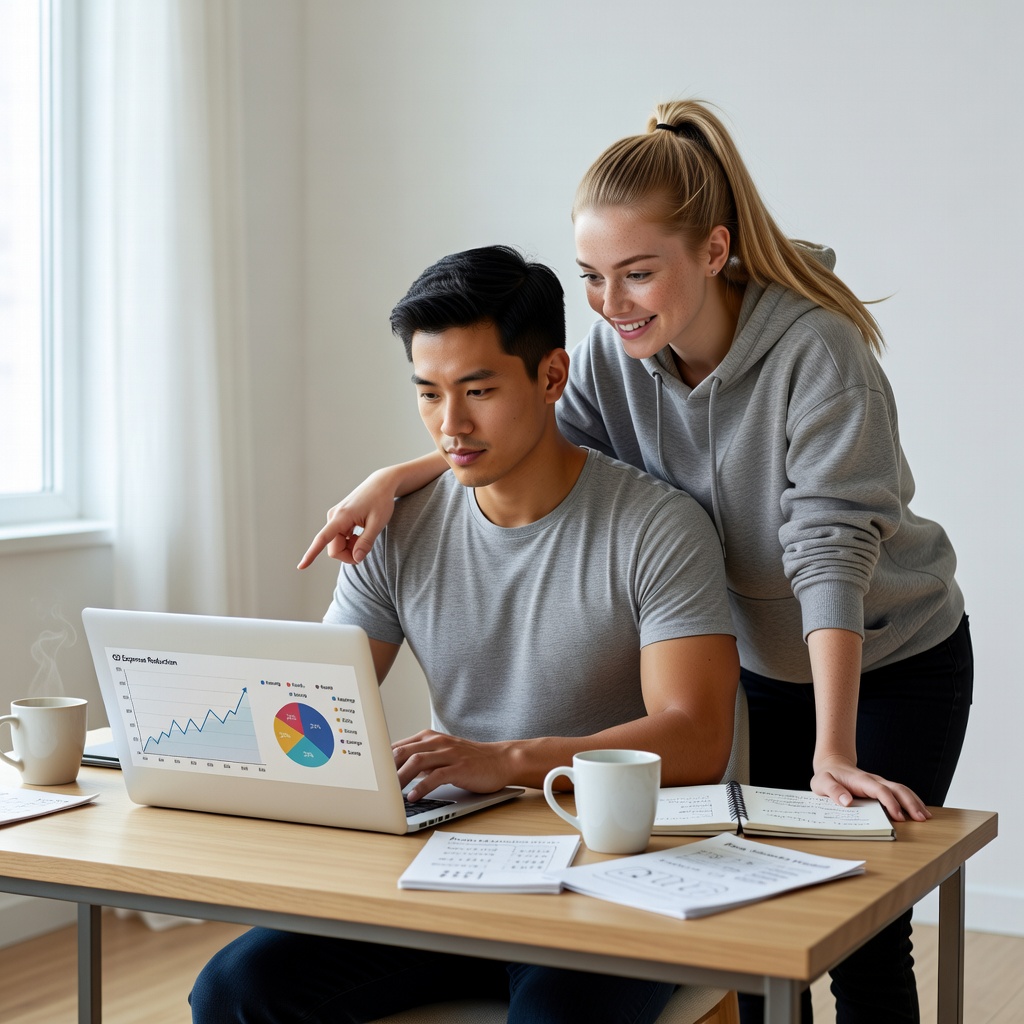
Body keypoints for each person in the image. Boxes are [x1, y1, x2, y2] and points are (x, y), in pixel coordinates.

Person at [298, 102, 974, 1024]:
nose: (613, 303)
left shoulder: (816, 351)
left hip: (884, 653)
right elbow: (527, 431)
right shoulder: (621, 355)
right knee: (768, 917)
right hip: (755, 659)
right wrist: (394, 475)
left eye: (637, 273)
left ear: (713, 250)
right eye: (593, 278)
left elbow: (829, 548)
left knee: (859, 921)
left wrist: (832, 746)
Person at [193, 244, 740, 1024]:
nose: (451, 425)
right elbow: (313, 707)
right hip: (454, 867)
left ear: (552, 377)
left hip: (612, 875)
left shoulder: (657, 528)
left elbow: (697, 738)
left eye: (478, 390)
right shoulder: (399, 528)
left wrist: (504, 762)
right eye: (428, 393)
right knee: (234, 990)